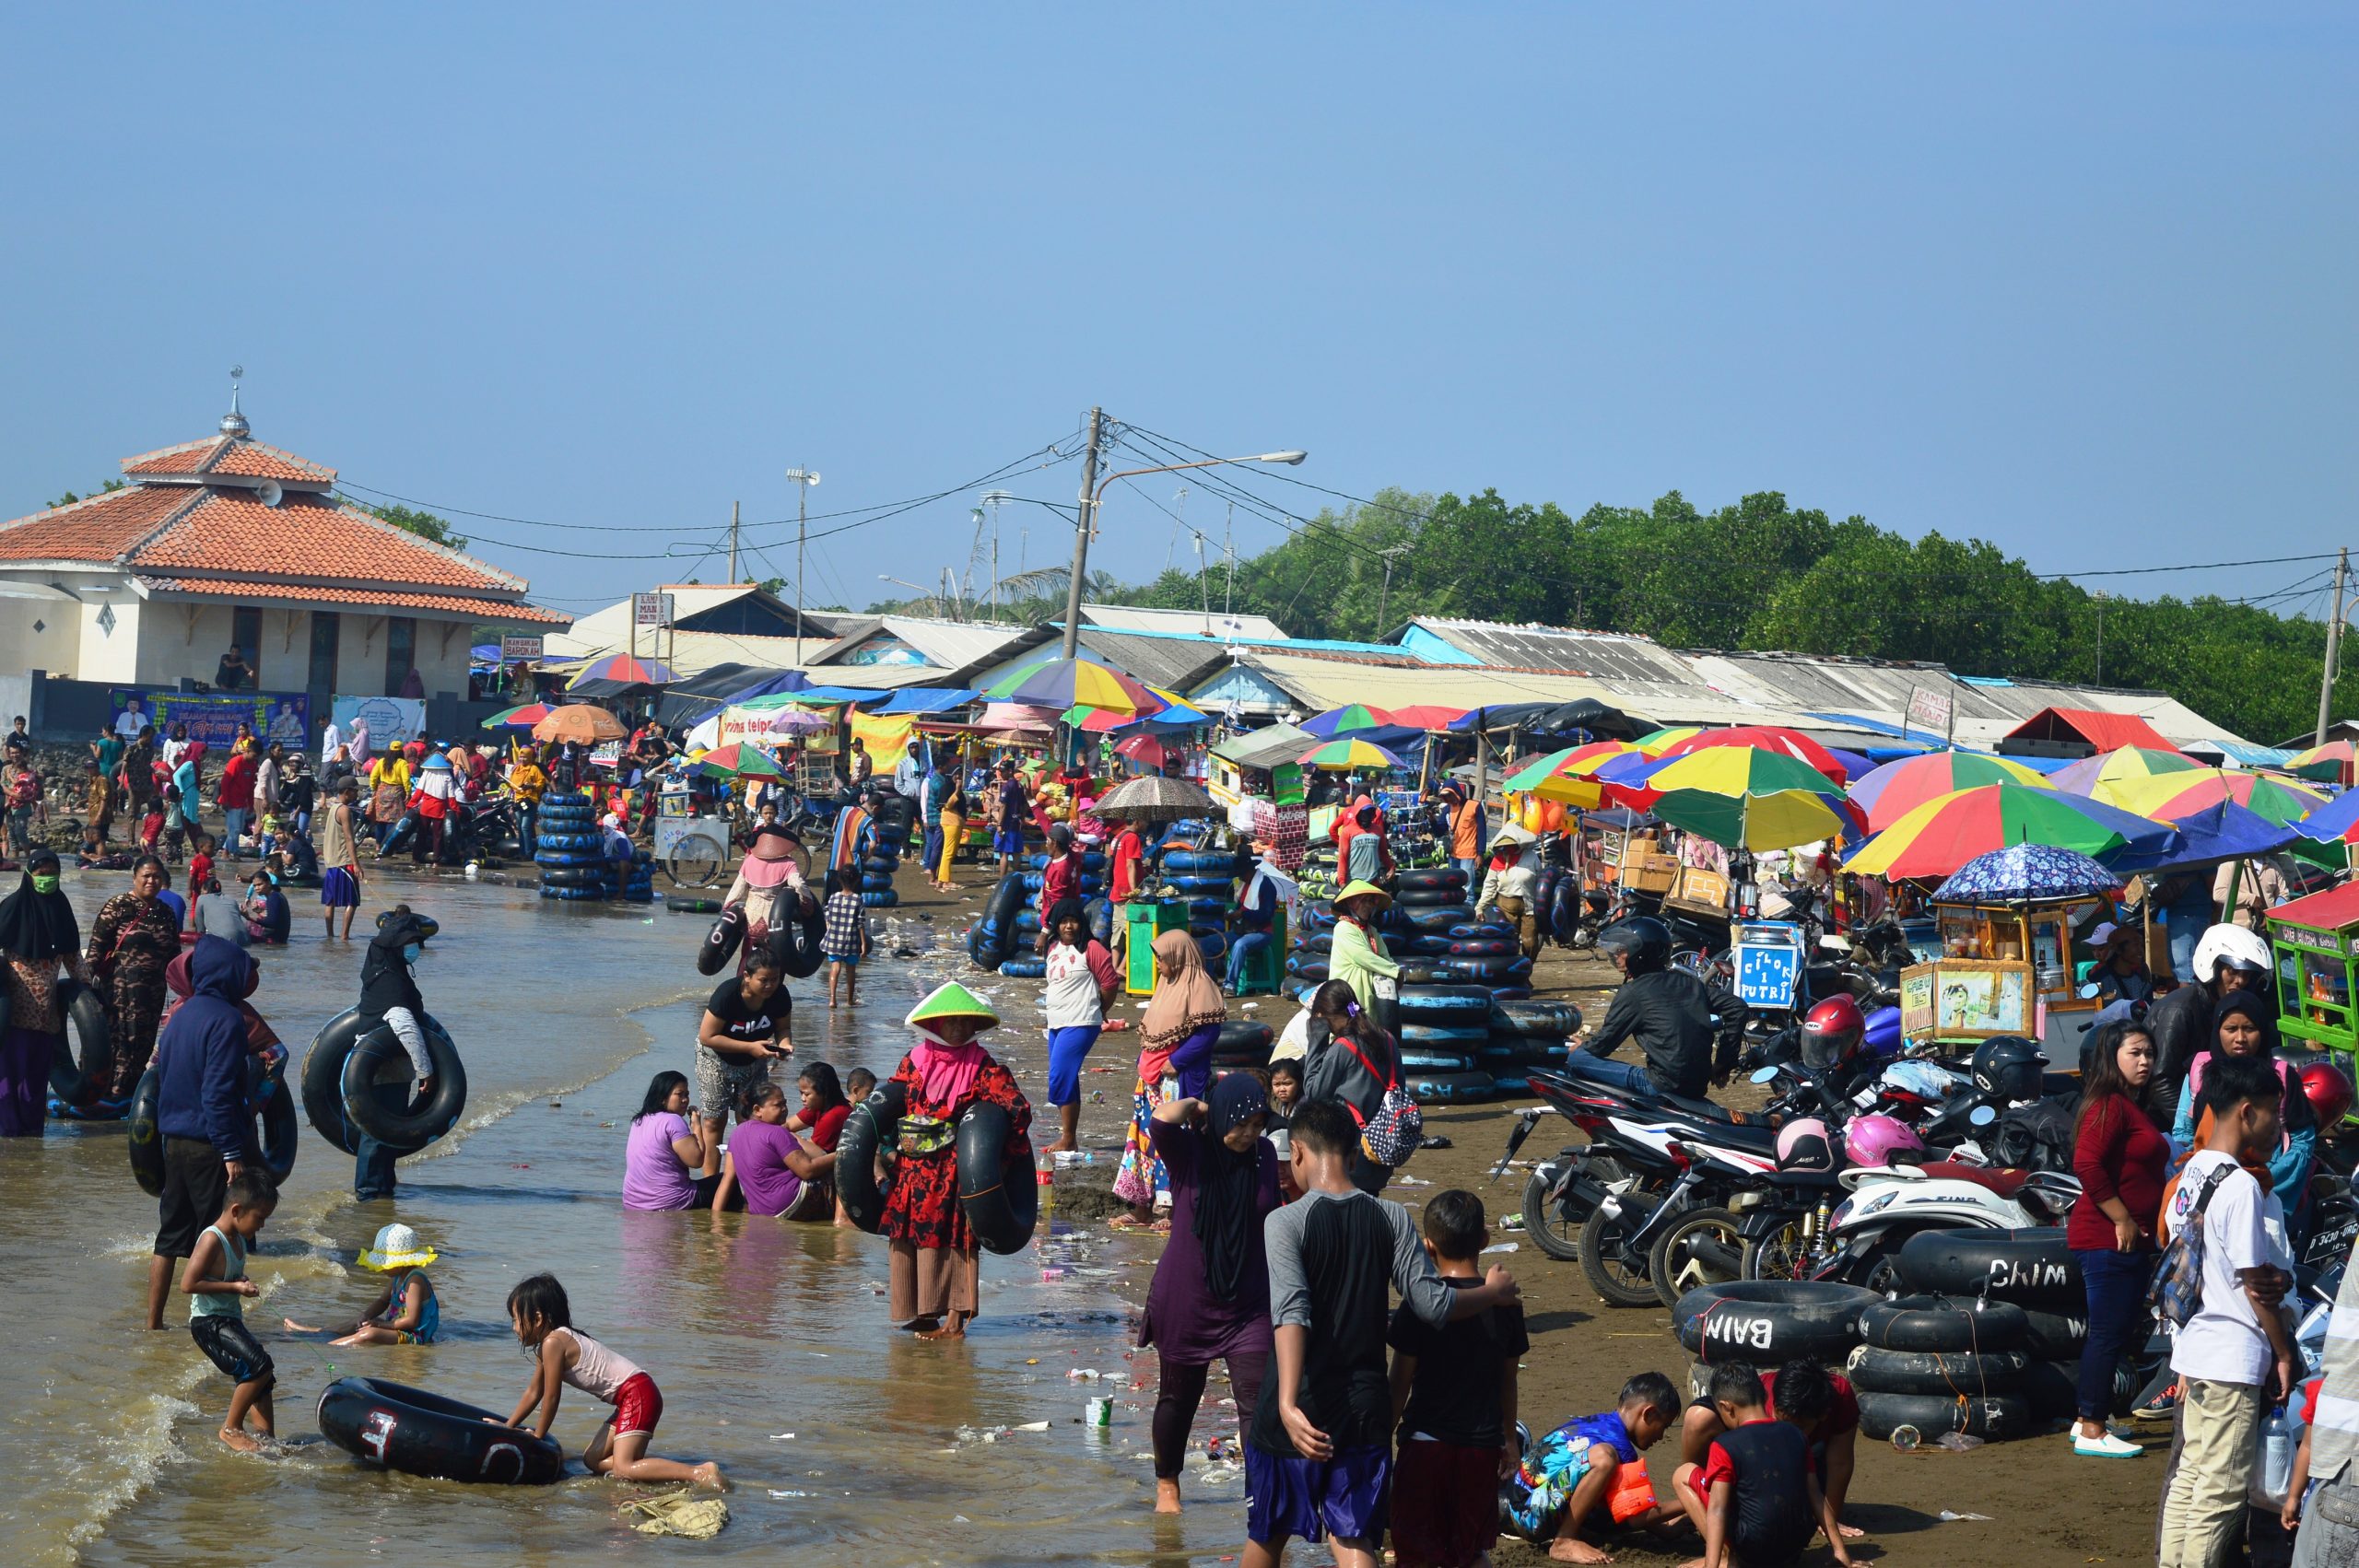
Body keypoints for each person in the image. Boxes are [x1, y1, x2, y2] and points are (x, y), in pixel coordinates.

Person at [1241, 1099, 1520, 1568]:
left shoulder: (1284, 1221)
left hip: (1300, 1402)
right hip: (1364, 1409)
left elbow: (1292, 1312)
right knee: (1354, 1540)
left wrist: (1288, 1405)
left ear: (1298, 1154)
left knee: (1268, 1534)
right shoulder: (1391, 1217)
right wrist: (1490, 1294)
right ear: (1354, 1155)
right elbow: (1433, 1303)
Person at [2157, 1054, 2298, 1568]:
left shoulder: (2190, 1173)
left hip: (2195, 1348)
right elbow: (2254, 1284)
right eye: (2272, 1112)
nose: (2276, 1124)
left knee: (2191, 1478)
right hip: (2232, 1354)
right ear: (2245, 1112)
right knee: (2219, 1494)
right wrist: (2282, 1352)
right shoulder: (2239, 1185)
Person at [1141, 1074, 1282, 1512]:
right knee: (1177, 1400)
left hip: (1250, 1301)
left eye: (1258, 1125)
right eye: (1241, 1123)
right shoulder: (1190, 1152)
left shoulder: (1263, 1154)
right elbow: (1162, 1120)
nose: (1249, 1134)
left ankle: (1261, 1496)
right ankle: (1168, 1484)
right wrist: (1200, 1106)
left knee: (1257, 1402)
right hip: (1188, 1298)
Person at [1386, 1189, 1531, 1568]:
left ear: (1428, 1246)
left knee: (1416, 1551)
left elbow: (1399, 1383)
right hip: (1480, 1446)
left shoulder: (1419, 1305)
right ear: (1484, 1239)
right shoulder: (1507, 1305)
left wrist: (1379, 1436)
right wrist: (1509, 1441)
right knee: (1469, 1551)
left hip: (1425, 1443)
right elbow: (1508, 1380)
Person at [880, 982, 1033, 1339]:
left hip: (953, 1169)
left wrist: (999, 1163)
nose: (960, 1029)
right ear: (935, 1024)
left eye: (966, 1022)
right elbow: (890, 1104)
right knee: (908, 1236)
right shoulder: (914, 1061)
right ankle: (921, 1313)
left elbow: (1017, 1111)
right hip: (912, 1169)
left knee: (954, 1237)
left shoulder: (983, 1067)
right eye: (952, 1022)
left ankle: (954, 1320)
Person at [499, 1272, 722, 1487]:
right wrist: (508, 1427)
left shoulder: (553, 1343)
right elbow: (533, 1392)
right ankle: (650, 1469)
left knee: (624, 1468)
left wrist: (538, 1434)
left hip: (637, 1394)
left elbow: (551, 1396)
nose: (514, 1328)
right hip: (634, 1396)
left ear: (537, 1319)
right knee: (593, 1460)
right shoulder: (549, 1347)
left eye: (516, 1320)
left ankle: (699, 1472)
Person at [144, 936, 263, 1329]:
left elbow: (163, 1076)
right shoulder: (228, 1019)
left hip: (173, 1141)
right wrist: (231, 1152)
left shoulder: (182, 1014)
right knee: (219, 1237)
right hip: (210, 1144)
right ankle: (215, 1328)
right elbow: (217, 1093)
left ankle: (154, 1325)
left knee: (170, 1236)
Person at [2069, 1018, 2169, 1457]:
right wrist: (2122, 1219)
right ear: (2112, 1058)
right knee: (2107, 1333)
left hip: (2125, 1239)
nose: (2145, 1061)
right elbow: (2086, 1164)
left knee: (2115, 1330)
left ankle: (2087, 1419)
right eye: (2135, 1053)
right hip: (2107, 1238)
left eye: (2149, 1053)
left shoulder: (2127, 1105)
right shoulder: (2107, 1104)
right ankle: (2091, 1428)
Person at [1670, 1361, 1848, 1568]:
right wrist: (1840, 1551)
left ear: (1726, 1407)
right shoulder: (1797, 1435)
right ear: (1764, 1397)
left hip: (1753, 1550)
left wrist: (1712, 1565)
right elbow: (1816, 1496)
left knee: (1683, 1473)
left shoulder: (1725, 1444)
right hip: (1794, 1547)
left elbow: (1718, 1509)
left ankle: (1729, 1558)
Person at [1114, 930, 1228, 1229]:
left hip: (1177, 1079)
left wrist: (1175, 1062)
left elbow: (1208, 1034)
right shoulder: (1167, 982)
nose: (1158, 965)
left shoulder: (1199, 984)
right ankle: (1141, 1208)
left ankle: (1173, 1211)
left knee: (1173, 1142)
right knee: (1143, 1141)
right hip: (1151, 1079)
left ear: (1177, 956)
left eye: (1161, 959)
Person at [1506, 1373, 1684, 1563]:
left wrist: (1665, 1530)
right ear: (1648, 1413)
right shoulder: (1619, 1446)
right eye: (1663, 1426)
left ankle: (1570, 1532)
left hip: (1522, 1502)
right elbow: (1634, 1517)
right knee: (1604, 1458)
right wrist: (1690, 1501)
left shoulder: (1601, 1423)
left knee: (1611, 1503)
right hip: (1529, 1513)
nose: (1661, 1436)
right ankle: (1564, 1540)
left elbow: (1630, 1507)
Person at [1570, 916, 1747, 1103]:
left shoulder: (1633, 992)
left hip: (1660, 1084)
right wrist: (1724, 1062)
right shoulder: (1690, 982)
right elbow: (1738, 1007)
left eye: (1621, 950)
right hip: (1697, 1085)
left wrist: (1584, 1048)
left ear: (1639, 952)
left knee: (1577, 1059)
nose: (1615, 954)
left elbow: (1604, 1044)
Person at [2170, 990, 2317, 1214]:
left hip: (2269, 1188)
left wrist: (2261, 1183)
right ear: (2217, 1031)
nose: (2240, 1038)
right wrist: (2207, 1177)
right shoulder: (2199, 1071)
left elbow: (2302, 1141)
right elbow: (2183, 1131)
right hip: (2206, 1189)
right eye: (2230, 1029)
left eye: (2249, 1029)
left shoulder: (2282, 1076)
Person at [184, 1167, 277, 1451]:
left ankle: (266, 1440)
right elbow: (188, 1283)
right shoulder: (212, 1238)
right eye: (259, 1218)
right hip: (208, 1323)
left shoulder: (237, 1240)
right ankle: (231, 1428)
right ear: (236, 1210)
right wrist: (235, 1288)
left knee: (263, 1379)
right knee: (259, 1365)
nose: (261, 1226)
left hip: (228, 1320)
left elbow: (220, 1277)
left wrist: (239, 1281)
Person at [351, 908, 439, 1201]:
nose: (414, 950)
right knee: (377, 1133)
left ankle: (383, 1186)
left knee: (385, 1133)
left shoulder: (380, 975)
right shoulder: (392, 984)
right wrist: (425, 1070)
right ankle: (369, 1192)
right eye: (408, 944)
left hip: (384, 1072)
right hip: (383, 1073)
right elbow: (403, 1025)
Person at [0, 851, 85, 1134]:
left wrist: (92, 995)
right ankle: (10, 1133)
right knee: (11, 1075)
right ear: (29, 875)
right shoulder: (12, 908)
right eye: (40, 873)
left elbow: (74, 958)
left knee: (37, 1076)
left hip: (47, 1015)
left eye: (52, 872)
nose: (46, 878)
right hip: (13, 1012)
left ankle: (32, 1133)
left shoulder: (62, 910)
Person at [88, 854, 182, 1104]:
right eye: (146, 876)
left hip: (152, 995)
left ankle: (130, 1095)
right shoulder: (117, 906)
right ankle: (106, 1093)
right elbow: (96, 950)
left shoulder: (166, 913)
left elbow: (175, 956)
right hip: (119, 992)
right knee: (119, 1042)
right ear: (135, 878)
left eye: (157, 877)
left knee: (143, 1043)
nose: (152, 881)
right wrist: (86, 994)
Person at [1301, 978, 1406, 1196]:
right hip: (1381, 1148)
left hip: (1350, 1154)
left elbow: (1313, 1093)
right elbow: (1400, 1088)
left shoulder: (1342, 1048)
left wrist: (1317, 1036)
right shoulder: (1388, 1039)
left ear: (1325, 1014)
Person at [2150, 923, 2274, 1107]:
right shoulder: (2180, 1011)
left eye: (2246, 975)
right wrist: (2202, 1124)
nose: (2240, 981)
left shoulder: (2229, 1009)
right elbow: (2160, 1083)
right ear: (2213, 968)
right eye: (2232, 971)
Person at [696, 952, 795, 1176]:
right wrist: (750, 1047)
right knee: (714, 1122)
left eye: (775, 979)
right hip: (716, 1060)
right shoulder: (727, 995)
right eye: (764, 980)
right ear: (747, 977)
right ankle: (712, 1182)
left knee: (752, 1120)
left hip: (755, 1062)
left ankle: (750, 1178)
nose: (770, 985)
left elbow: (783, 1028)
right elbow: (707, 1036)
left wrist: (785, 1045)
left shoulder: (780, 995)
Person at [1041, 896, 1119, 1154]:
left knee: (1059, 1076)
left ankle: (1067, 1138)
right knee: (1067, 1078)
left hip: (1082, 1021)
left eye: (1074, 921)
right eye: (1063, 921)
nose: (1069, 927)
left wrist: (1100, 1009)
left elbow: (1109, 984)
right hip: (1056, 1022)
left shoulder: (1092, 948)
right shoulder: (1052, 948)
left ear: (1081, 923)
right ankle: (1069, 1138)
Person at [282, 1222, 441, 1346]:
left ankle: (328, 1346)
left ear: (401, 1262)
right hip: (395, 1328)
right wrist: (365, 1316)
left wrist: (381, 1324)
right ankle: (313, 1332)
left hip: (413, 1336)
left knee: (370, 1333)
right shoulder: (397, 1278)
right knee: (358, 1322)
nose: (381, 1269)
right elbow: (382, 1301)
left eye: (385, 1264)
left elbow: (411, 1321)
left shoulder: (415, 1281)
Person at [711, 1081, 833, 1219]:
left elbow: (727, 1179)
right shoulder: (776, 1132)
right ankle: (845, 1220)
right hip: (790, 1204)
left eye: (785, 1103)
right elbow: (807, 1170)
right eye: (778, 1105)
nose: (784, 1109)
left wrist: (716, 1220)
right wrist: (840, 1155)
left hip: (761, 1212)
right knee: (833, 1171)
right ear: (757, 1110)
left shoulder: (736, 1134)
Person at [626, 1070, 716, 1210]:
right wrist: (697, 1126)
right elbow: (696, 1161)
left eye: (687, 1095)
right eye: (679, 1094)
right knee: (727, 1181)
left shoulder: (639, 1120)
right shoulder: (673, 1121)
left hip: (632, 1203)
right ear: (662, 1097)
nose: (685, 1100)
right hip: (670, 1201)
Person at [1326, 880, 1403, 1040]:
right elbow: (1362, 956)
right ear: (1350, 904)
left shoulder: (1371, 931)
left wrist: (1391, 969)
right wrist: (1394, 971)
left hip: (1370, 993)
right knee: (1348, 1032)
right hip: (1350, 992)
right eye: (1364, 901)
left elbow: (1384, 956)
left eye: (1371, 902)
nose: (1368, 906)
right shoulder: (1343, 928)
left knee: (1369, 1034)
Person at [1473, 824, 1542, 959]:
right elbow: (1490, 885)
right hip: (1506, 906)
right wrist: (1480, 907)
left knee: (1530, 943)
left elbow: (1541, 881)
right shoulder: (1497, 860)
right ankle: (1513, 974)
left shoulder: (1531, 857)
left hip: (1529, 906)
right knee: (1509, 942)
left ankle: (1527, 967)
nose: (1506, 849)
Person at [1226, 842, 1285, 994]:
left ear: (1249, 871)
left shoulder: (1266, 885)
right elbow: (1240, 908)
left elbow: (1266, 915)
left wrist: (1243, 914)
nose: (1239, 877)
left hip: (1262, 933)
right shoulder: (1245, 886)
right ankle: (1210, 982)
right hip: (1242, 929)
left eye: (1241, 873)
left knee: (1240, 945)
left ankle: (1229, 985)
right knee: (1210, 944)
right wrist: (1233, 914)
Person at [318, 778, 365, 940]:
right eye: (355, 790)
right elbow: (349, 839)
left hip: (331, 863)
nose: (357, 793)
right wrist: (356, 864)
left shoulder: (333, 808)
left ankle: (330, 935)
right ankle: (344, 936)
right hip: (344, 862)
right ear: (347, 792)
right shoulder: (345, 810)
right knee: (352, 902)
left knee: (330, 902)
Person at [820, 870, 868, 1007]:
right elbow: (860, 923)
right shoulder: (858, 899)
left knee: (835, 968)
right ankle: (849, 1000)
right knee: (851, 971)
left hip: (834, 940)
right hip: (851, 941)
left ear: (839, 881)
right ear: (856, 881)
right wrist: (863, 943)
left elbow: (827, 916)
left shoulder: (833, 897)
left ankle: (832, 1000)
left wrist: (830, 929)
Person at [2085, 921, 2154, 1004]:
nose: (2096, 954)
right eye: (2093, 949)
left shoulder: (2140, 970)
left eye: (2101, 949)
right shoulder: (2097, 970)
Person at [408, 753, 458, 865]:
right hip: (439, 808)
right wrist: (456, 811)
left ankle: (415, 857)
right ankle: (436, 860)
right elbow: (451, 797)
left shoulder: (426, 773)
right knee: (438, 835)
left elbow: (418, 792)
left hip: (426, 807)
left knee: (422, 832)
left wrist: (410, 805)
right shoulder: (447, 776)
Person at [217, 738, 257, 859]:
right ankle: (234, 853)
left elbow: (250, 786)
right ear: (248, 751)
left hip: (243, 803)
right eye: (253, 755)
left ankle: (226, 852)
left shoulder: (253, 765)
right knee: (234, 830)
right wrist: (226, 800)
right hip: (231, 802)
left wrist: (251, 804)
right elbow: (225, 783)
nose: (254, 759)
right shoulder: (235, 762)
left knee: (238, 830)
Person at [1441, 783, 1485, 885]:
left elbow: (1482, 831)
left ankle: (1469, 902)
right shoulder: (1447, 809)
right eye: (1445, 796)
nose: (1448, 798)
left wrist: (1480, 854)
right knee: (1454, 885)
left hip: (1468, 854)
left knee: (1467, 886)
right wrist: (1432, 820)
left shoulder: (1475, 806)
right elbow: (1439, 830)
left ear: (1456, 793)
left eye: (1450, 795)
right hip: (1453, 854)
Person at [189, 876, 250, 948]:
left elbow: (200, 930)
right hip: (246, 939)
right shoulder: (230, 899)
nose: (200, 893)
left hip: (225, 941)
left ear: (205, 891)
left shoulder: (201, 898)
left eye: (201, 891)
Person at [992, 760, 1028, 873]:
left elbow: (1003, 806)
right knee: (1017, 853)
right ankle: (1016, 879)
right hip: (1017, 823)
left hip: (1007, 824)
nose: (1001, 774)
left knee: (1004, 853)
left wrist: (999, 825)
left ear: (1010, 771)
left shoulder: (1007, 787)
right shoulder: (1019, 785)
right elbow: (1024, 804)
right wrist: (1022, 819)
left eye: (1003, 771)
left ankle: (1003, 881)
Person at [933, 766, 967, 890]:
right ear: (950, 776)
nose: (958, 777)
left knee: (949, 852)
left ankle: (941, 881)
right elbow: (948, 804)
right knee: (949, 852)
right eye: (955, 774)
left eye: (960, 774)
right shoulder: (948, 787)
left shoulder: (953, 787)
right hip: (951, 821)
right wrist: (957, 790)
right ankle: (946, 882)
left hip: (955, 821)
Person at [241, 870, 289, 946]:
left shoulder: (273, 897)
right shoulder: (278, 895)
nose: (256, 888)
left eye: (259, 884)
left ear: (269, 883)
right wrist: (259, 911)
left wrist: (248, 917)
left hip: (273, 941)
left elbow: (271, 923)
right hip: (280, 940)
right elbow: (274, 918)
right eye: (254, 886)